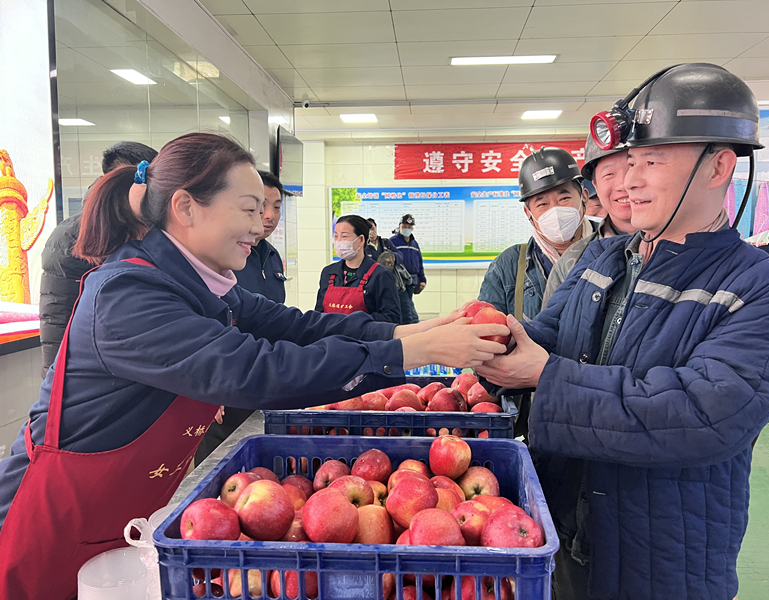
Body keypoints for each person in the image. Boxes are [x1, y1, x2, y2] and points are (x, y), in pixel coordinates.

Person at [0, 132, 509, 599]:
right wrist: (414, 355)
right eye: (249, 208)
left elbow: (302, 327)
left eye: (266, 209)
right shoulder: (128, 295)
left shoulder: (202, 284)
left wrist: (419, 331)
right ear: (186, 208)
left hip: (122, 512)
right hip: (50, 519)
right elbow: (257, 371)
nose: (261, 224)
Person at [476, 63, 769, 600]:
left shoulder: (763, 287)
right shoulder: (604, 257)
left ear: (719, 166)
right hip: (561, 534)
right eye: (626, 162)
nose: (628, 181)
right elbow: (549, 336)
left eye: (651, 161)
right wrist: (498, 337)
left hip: (661, 559)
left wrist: (545, 375)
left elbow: (701, 414)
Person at [39, 141, 158, 377]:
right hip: (89, 374)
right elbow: (58, 316)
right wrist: (56, 383)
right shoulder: (73, 234)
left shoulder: (151, 228)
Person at [194, 170, 287, 466]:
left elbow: (277, 317)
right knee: (218, 469)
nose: (266, 218)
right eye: (256, 209)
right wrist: (209, 384)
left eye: (276, 207)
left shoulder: (269, 256)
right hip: (224, 384)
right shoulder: (221, 259)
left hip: (259, 379)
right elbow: (204, 328)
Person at [477, 147, 594, 323]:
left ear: (584, 196)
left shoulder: (616, 248)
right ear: (528, 212)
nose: (555, 210)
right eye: (542, 204)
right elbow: (487, 331)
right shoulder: (507, 266)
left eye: (564, 199)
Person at [541, 136, 638, 308]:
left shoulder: (688, 251)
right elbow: (549, 331)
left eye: (632, 168)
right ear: (596, 186)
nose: (624, 184)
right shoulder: (575, 259)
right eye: (609, 174)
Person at [316, 214, 401, 323]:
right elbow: (318, 314)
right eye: (336, 236)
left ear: (361, 240)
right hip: (329, 338)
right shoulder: (328, 273)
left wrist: (355, 322)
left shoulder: (379, 275)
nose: (339, 241)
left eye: (344, 236)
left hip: (363, 339)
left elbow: (391, 317)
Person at [232, 170, 287, 302]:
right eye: (262, 206)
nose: (270, 215)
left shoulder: (272, 255)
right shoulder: (226, 255)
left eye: (277, 207)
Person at [390, 214, 426, 324]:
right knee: (407, 310)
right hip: (399, 282)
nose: (407, 229)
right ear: (399, 226)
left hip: (412, 282)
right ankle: (411, 328)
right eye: (404, 226)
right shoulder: (392, 242)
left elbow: (419, 262)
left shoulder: (414, 244)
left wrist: (422, 279)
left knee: (408, 305)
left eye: (409, 227)